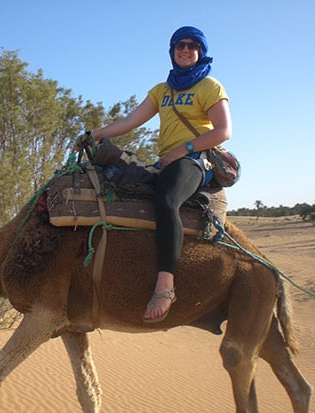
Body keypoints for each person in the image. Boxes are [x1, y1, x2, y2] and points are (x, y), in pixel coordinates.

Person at [89, 26, 232, 323]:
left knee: (166, 199)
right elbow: (131, 121)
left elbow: (223, 132)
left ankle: (166, 284)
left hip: (193, 161)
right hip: (166, 162)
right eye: (180, 45)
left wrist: (184, 149)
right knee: (118, 178)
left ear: (200, 51)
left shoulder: (209, 86)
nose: (185, 49)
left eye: (192, 45)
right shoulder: (161, 91)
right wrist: (95, 134)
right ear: (172, 50)